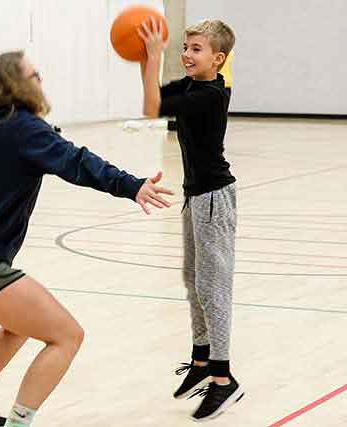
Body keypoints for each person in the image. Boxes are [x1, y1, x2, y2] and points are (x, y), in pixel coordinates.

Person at [0, 51, 174, 427]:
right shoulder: (21, 127)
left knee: (20, 326)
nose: (40, 79)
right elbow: (76, 162)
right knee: (67, 336)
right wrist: (132, 186)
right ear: (13, 85)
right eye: (34, 74)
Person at [138, 18, 244, 421]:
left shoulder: (211, 95)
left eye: (196, 49)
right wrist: (151, 60)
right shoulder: (191, 87)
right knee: (192, 279)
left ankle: (223, 378)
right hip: (194, 196)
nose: (186, 53)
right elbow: (152, 102)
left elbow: (152, 106)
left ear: (217, 59)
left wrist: (152, 56)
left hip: (215, 197)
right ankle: (201, 362)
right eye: (185, 46)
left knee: (213, 286)